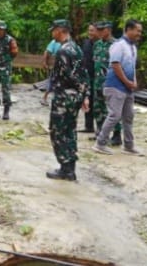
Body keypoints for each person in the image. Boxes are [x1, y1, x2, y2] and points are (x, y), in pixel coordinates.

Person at [45, 20, 90, 181]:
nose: (52, 34)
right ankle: (70, 167)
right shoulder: (76, 48)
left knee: (58, 131)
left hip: (64, 97)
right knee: (70, 131)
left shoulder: (63, 51)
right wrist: (84, 94)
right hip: (75, 96)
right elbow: (84, 73)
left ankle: (65, 168)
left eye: (53, 31)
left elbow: (69, 75)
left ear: (60, 30)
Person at [93, 19, 143, 156]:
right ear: (129, 30)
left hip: (127, 88)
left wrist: (134, 82)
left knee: (128, 116)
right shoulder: (118, 45)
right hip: (115, 86)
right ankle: (100, 143)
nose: (140, 33)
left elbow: (131, 67)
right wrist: (127, 82)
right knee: (114, 115)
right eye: (138, 30)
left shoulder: (132, 47)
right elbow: (115, 65)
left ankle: (128, 145)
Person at [89, 21, 114, 141]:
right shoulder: (97, 45)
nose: (98, 32)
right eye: (97, 30)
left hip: (110, 83)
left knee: (112, 110)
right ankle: (100, 132)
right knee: (98, 108)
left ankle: (117, 135)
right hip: (97, 81)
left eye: (101, 30)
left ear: (108, 30)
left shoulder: (115, 45)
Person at [80, 23, 98, 132]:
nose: (90, 33)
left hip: (98, 78)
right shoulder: (86, 43)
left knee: (99, 103)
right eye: (89, 30)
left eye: (92, 30)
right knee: (87, 100)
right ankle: (88, 126)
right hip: (87, 77)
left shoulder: (101, 45)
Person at [40, 38, 61, 106]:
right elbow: (47, 51)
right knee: (52, 81)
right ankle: (44, 98)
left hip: (65, 66)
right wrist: (44, 62)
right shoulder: (54, 41)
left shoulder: (69, 42)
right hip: (56, 65)